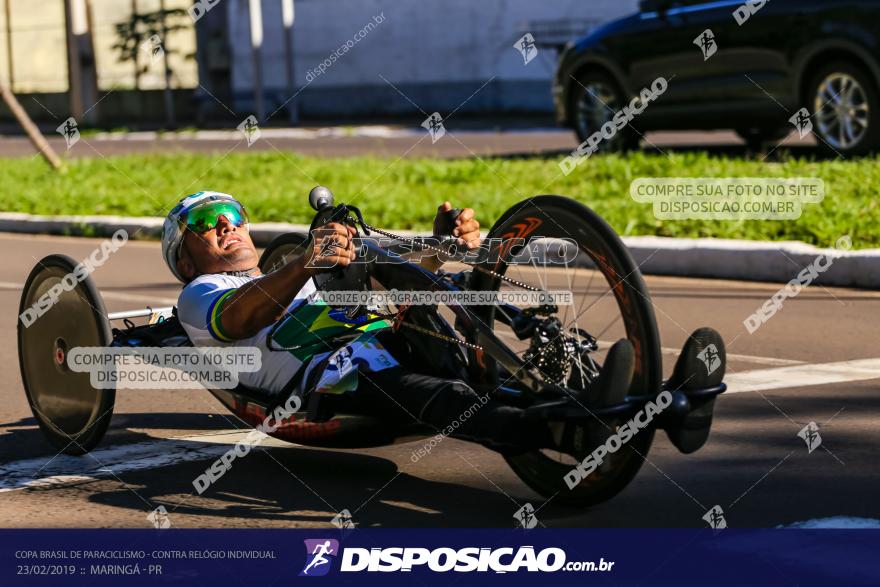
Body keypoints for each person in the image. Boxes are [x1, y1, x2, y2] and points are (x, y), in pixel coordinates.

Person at [161, 191, 634, 455]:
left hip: (387, 341)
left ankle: (620, 400)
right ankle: (565, 433)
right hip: (331, 382)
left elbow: (379, 286)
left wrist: (440, 245)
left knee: (475, 364)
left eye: (233, 214)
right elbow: (242, 317)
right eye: (205, 222)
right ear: (184, 262)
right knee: (450, 396)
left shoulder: (290, 275)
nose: (225, 224)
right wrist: (306, 261)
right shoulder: (199, 294)